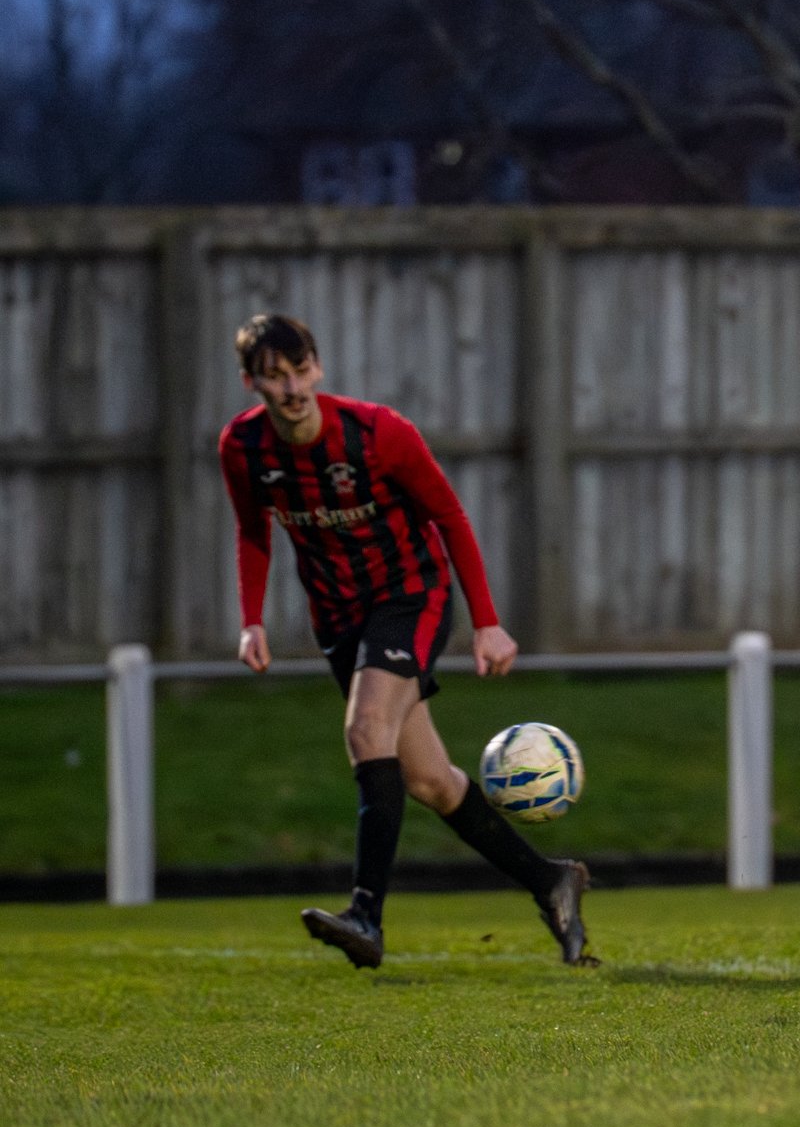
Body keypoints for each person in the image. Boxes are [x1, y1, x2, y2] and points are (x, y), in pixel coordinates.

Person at [218, 313, 595, 969]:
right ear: (252, 382)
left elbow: (448, 514)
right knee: (428, 779)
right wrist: (251, 616)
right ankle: (551, 880)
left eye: (300, 370)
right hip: (338, 617)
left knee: (367, 730)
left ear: (319, 368)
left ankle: (366, 914)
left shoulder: (377, 433)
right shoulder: (243, 449)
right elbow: (253, 531)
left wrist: (486, 618)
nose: (292, 388)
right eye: (274, 377)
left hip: (409, 596)